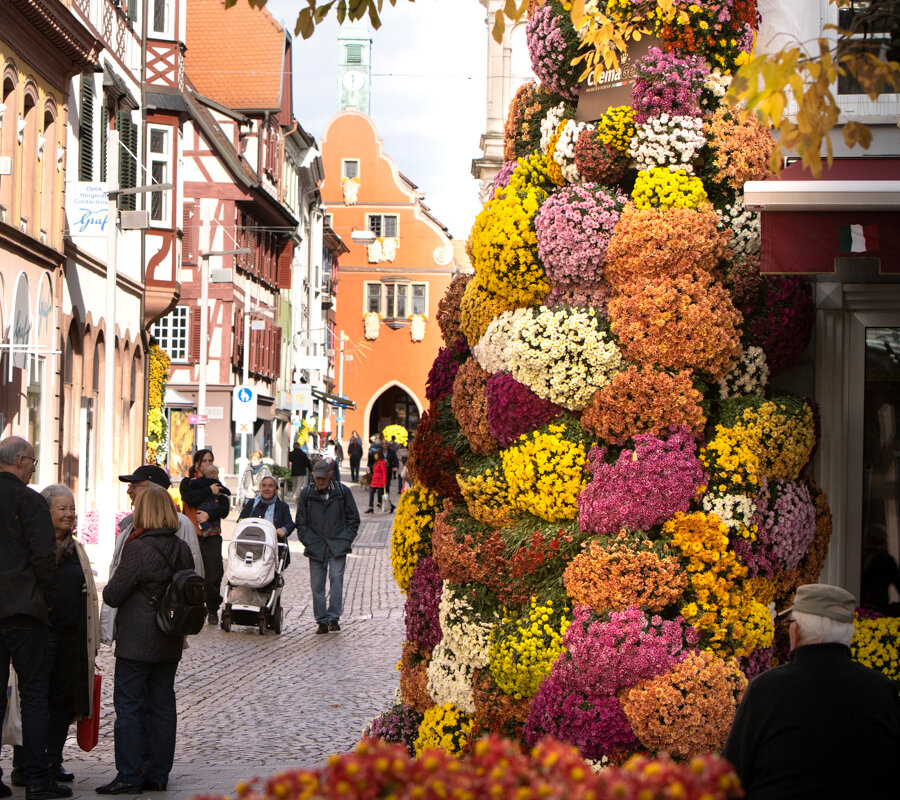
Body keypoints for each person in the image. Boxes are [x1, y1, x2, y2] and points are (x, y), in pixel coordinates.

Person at [723, 583, 900, 799]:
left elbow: (730, 776)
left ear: (795, 631)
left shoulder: (767, 690)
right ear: (848, 636)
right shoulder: (883, 690)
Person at [97, 487, 194, 795]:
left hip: (137, 641)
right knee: (163, 705)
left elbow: (113, 593)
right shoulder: (181, 548)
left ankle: (128, 774)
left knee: (129, 706)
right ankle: (158, 774)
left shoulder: (137, 548)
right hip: (169, 637)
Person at [9, 486, 99, 789]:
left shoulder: (76, 550)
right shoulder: (36, 546)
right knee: (35, 701)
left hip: (70, 638)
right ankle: (26, 764)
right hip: (39, 633)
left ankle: (52, 759)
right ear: (45, 512)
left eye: (72, 508)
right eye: (62, 508)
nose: (69, 514)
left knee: (62, 701)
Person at [0, 437, 68, 800]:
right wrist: (50, 603)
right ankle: (38, 779)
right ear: (22, 461)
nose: (33, 470)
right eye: (34, 463)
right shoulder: (29, 500)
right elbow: (44, 559)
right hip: (25, 611)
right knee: (35, 696)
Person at [103, 465, 204, 645]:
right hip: (133, 622)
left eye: (135, 485)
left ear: (153, 488)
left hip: (164, 622)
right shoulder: (130, 525)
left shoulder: (181, 524)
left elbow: (192, 576)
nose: (129, 491)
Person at [294, 459, 360, 634]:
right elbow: (300, 523)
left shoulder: (342, 492)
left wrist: (345, 539)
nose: (320, 481)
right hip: (316, 546)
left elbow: (353, 519)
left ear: (330, 475)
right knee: (317, 585)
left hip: (337, 544)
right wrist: (309, 541)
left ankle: (333, 618)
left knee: (336, 580)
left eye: (323, 478)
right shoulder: (307, 494)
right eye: (317, 478)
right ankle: (321, 620)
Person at [179, 451, 229, 625]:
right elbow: (189, 498)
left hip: (212, 536)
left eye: (211, 460)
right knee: (191, 573)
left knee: (214, 574)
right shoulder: (188, 483)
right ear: (197, 464)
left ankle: (213, 607)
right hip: (193, 534)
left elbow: (224, 508)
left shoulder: (217, 482)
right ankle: (193, 607)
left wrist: (209, 514)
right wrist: (209, 490)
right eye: (204, 461)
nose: (208, 463)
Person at [238, 476, 295, 568]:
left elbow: (290, 523)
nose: (267, 489)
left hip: (273, 547)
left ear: (276, 489)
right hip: (252, 546)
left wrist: (283, 530)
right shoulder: (251, 504)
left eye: (270, 486)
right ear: (260, 488)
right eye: (264, 486)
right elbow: (240, 521)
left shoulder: (282, 506)